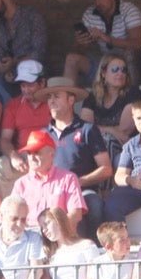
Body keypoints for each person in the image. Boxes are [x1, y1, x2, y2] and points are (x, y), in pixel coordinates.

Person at [40, 78, 113, 235]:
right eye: (49, 97)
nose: (51, 101)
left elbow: (106, 169)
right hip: (50, 193)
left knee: (93, 204)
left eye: (57, 96)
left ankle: (96, 251)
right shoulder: (42, 134)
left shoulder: (88, 129)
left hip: (84, 190)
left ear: (71, 100)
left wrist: (75, 183)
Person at [65, 0, 141, 85]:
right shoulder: (89, 14)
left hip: (133, 64)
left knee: (129, 54)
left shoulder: (129, 11)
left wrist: (107, 39)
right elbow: (79, 52)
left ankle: (131, 97)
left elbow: (138, 44)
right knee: (71, 59)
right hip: (107, 63)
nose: (97, 3)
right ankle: (65, 100)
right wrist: (80, 43)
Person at [0, 61, 51, 198]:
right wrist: (13, 156)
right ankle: (7, 214)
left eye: (30, 85)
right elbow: (5, 139)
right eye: (23, 85)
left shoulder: (53, 102)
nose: (26, 90)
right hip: (25, 156)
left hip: (50, 154)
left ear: (42, 83)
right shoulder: (14, 105)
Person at [0, 0, 49, 103]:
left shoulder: (32, 17)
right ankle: (13, 115)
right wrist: (2, 69)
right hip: (10, 82)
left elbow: (39, 53)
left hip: (34, 79)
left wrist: (14, 62)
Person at [12, 132, 87, 229]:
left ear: (52, 154)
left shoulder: (68, 178)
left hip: (58, 235)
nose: (32, 157)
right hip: (29, 236)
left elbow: (76, 214)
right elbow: (12, 214)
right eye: (29, 153)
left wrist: (56, 231)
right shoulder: (20, 184)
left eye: (37, 152)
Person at [81, 54, 141, 146]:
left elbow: (124, 131)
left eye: (123, 70)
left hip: (125, 148)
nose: (120, 73)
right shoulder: (93, 96)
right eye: (114, 69)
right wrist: (111, 130)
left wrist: (98, 129)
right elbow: (85, 128)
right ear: (103, 73)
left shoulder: (133, 93)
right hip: (96, 147)